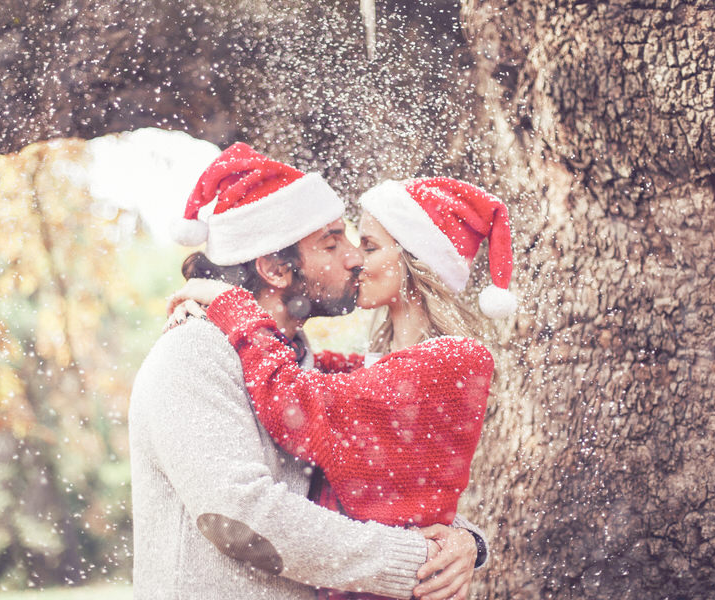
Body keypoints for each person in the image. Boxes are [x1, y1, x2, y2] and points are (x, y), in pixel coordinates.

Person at [129, 143, 486, 600]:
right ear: (277, 270)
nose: (354, 258)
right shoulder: (195, 356)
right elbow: (242, 518)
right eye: (331, 243)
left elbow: (377, 489)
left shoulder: (295, 363)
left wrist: (464, 542)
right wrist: (416, 560)